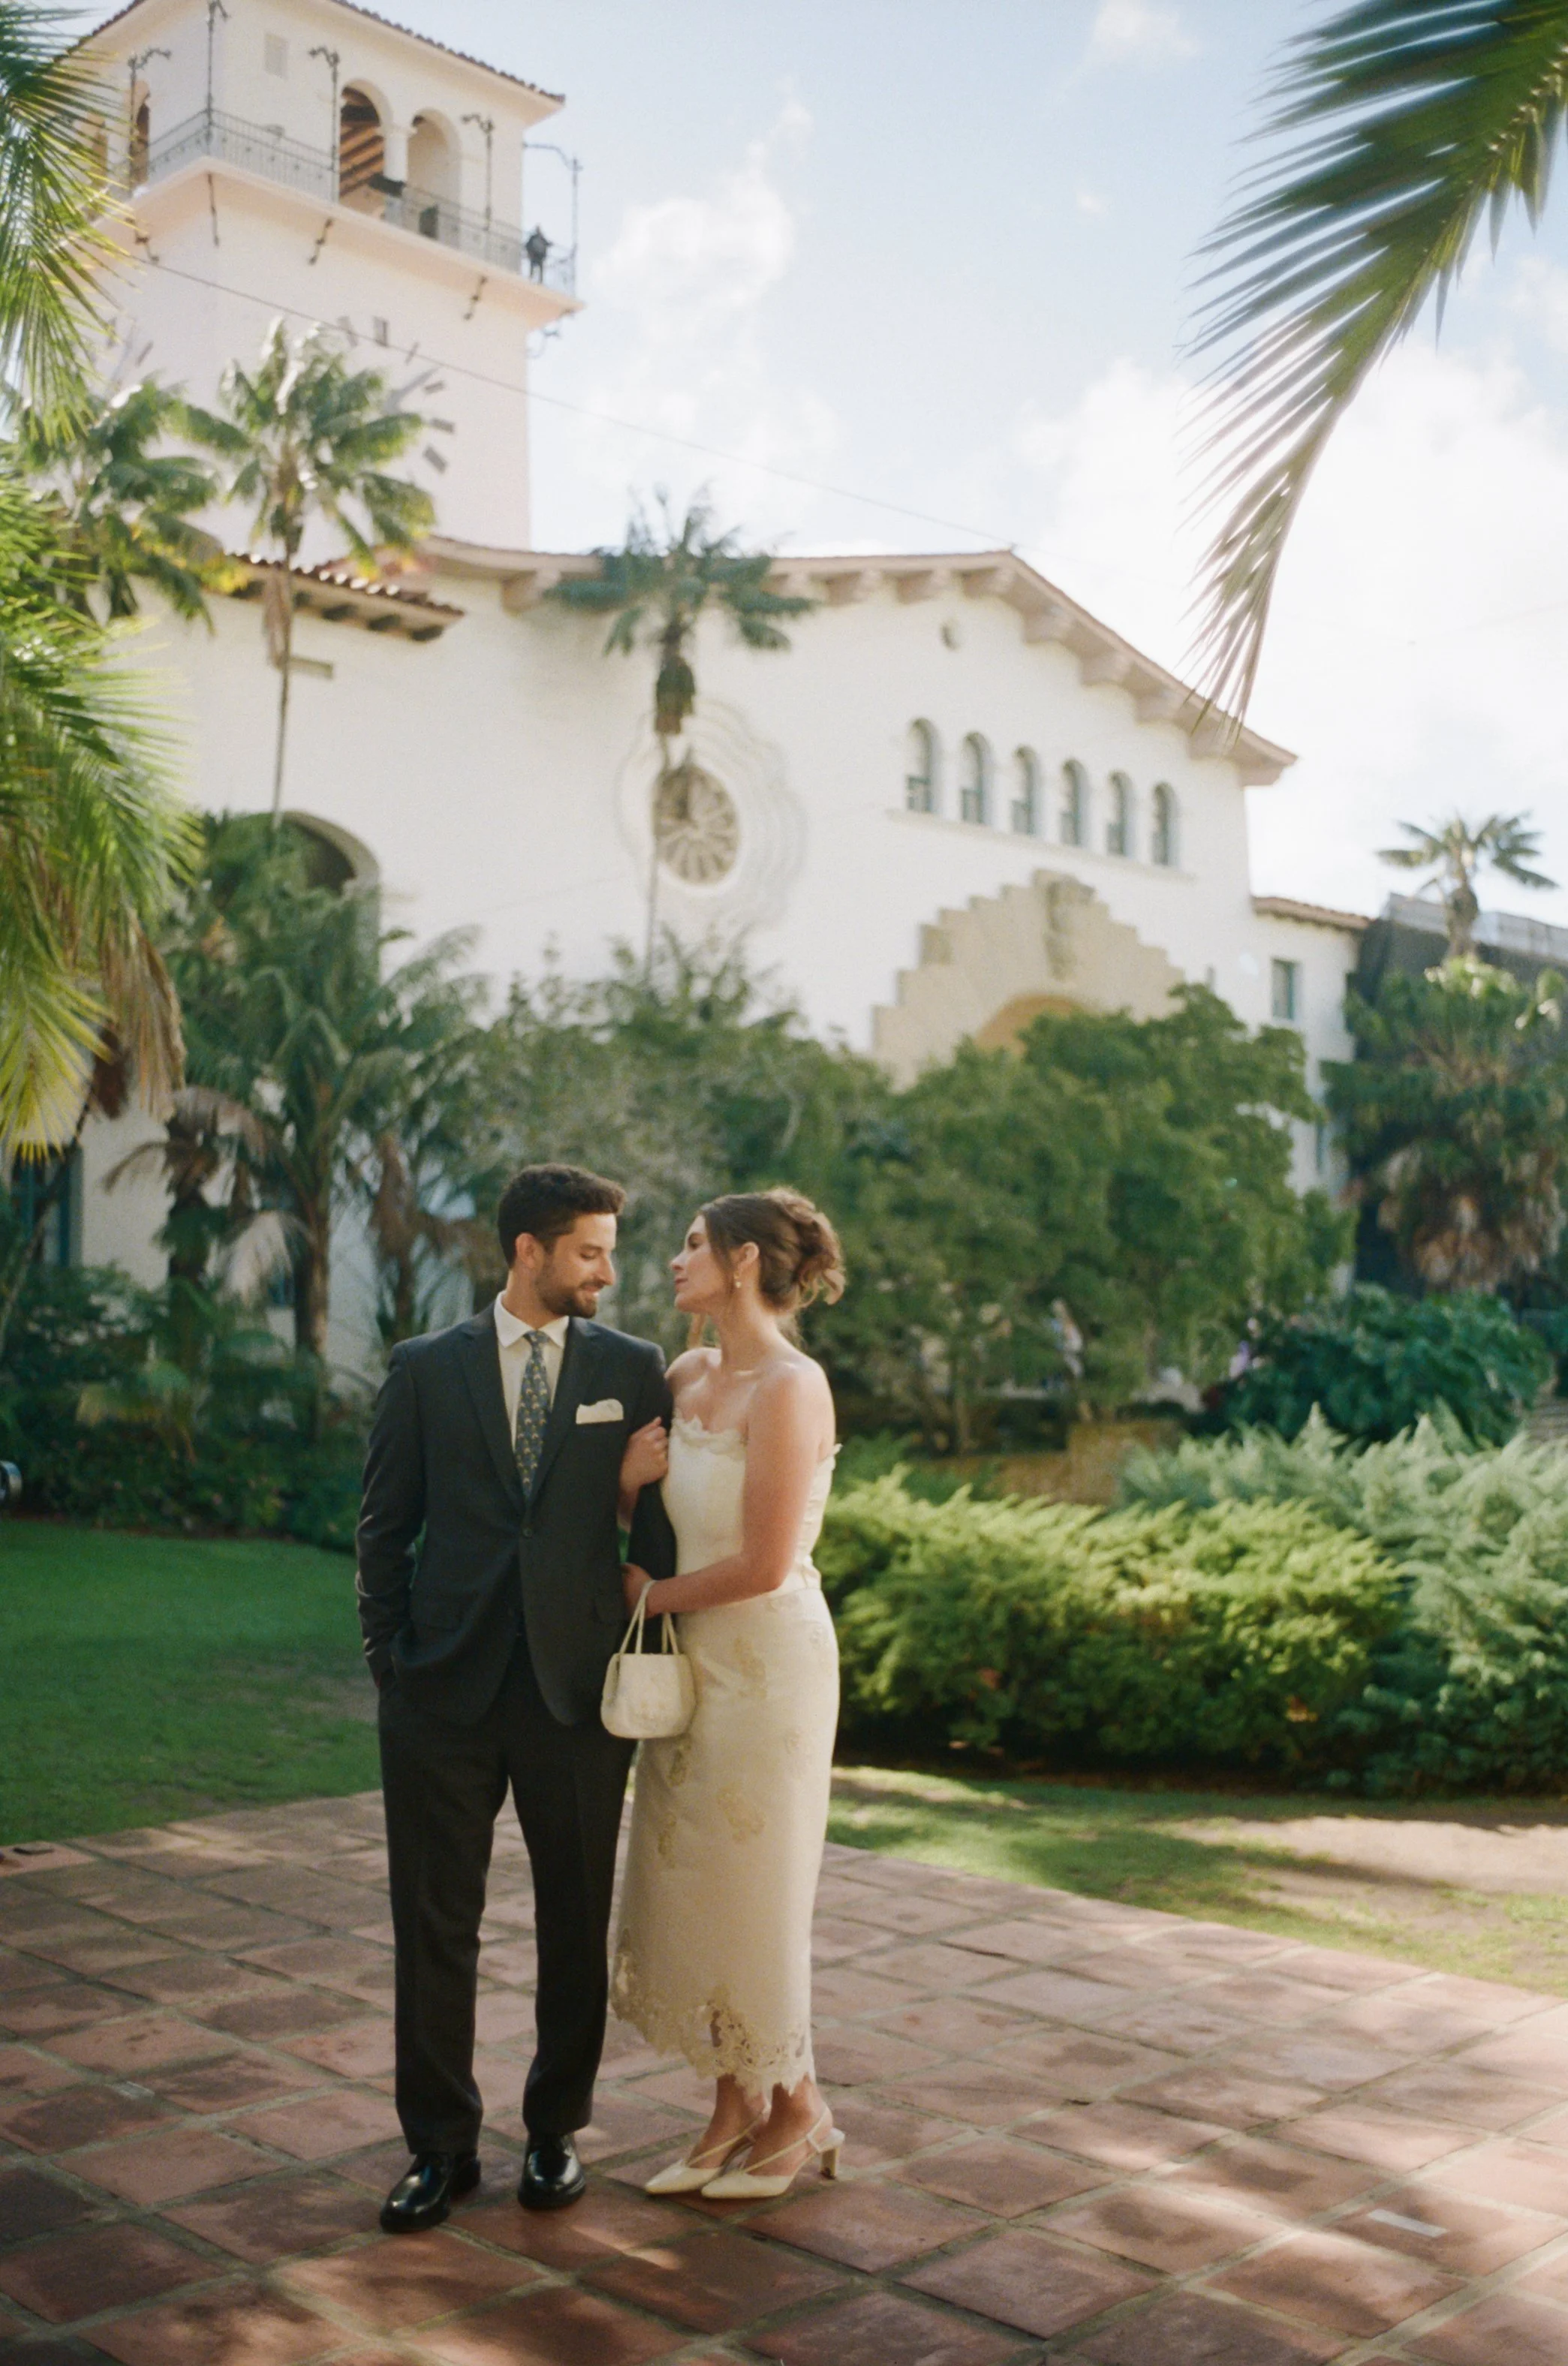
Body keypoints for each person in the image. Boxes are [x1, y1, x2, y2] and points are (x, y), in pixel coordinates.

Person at [356, 1163, 676, 2233]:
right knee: (433, 1924)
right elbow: (383, 1525)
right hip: (441, 1692)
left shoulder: (634, 1369)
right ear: (529, 1252)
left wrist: (627, 1492)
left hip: (575, 1696)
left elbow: (656, 1539)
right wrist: (388, 1662)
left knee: (573, 1917)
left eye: (612, 1252)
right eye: (590, 1251)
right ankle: (440, 2148)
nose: (608, 1272)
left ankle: (555, 2131)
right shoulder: (423, 1369)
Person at [611, 1187, 846, 2199]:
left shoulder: (792, 1388)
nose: (676, 1259)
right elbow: (651, 1527)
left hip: (768, 1671)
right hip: (686, 1670)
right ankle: (729, 2108)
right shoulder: (685, 1374)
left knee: (758, 1894)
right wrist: (624, 1484)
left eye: (695, 1243)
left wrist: (651, 1595)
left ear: (746, 1262)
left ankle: (796, 2111)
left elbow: (762, 1562)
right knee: (688, 1884)